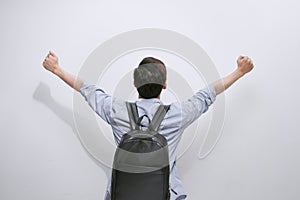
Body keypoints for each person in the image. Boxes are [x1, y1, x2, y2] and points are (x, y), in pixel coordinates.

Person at [42, 51, 254, 200]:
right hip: (166, 194)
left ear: (135, 84)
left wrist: (56, 69)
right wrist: (240, 71)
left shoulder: (117, 111)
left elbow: (87, 90)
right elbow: (207, 94)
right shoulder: (177, 114)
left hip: (121, 194)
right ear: (165, 86)